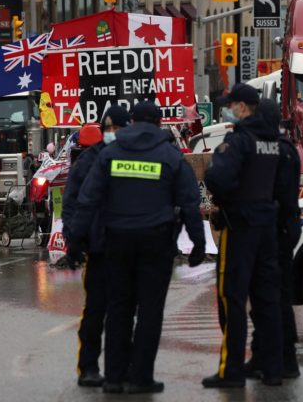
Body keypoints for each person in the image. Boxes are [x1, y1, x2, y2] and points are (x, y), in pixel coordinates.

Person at [70, 101, 206, 394]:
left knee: (119, 308)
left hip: (116, 242)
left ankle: (114, 377)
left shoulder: (110, 154)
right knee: (149, 311)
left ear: (131, 122)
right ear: (158, 124)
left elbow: (88, 199)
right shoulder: (169, 155)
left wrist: (75, 240)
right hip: (156, 243)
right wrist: (199, 242)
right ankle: (140, 377)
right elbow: (190, 202)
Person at [203, 84, 283, 388]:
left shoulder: (239, 140)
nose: (228, 110)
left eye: (230, 105)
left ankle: (231, 371)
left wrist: (226, 198)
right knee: (267, 300)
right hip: (267, 226)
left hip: (241, 226)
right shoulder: (273, 141)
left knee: (233, 298)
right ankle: (273, 369)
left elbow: (217, 177)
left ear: (242, 107)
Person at [61, 106, 130, 388]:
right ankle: (88, 366)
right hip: (99, 249)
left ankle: (120, 368)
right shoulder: (88, 162)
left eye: (118, 127)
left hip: (127, 248)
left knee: (124, 312)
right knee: (96, 311)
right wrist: (74, 242)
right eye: (109, 127)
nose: (113, 133)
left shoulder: (135, 156)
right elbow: (72, 204)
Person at [244, 98, 302, 379]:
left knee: (273, 299)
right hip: (283, 229)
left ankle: (285, 359)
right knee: (269, 298)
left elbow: (277, 193)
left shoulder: (275, 150)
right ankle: (263, 355)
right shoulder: (286, 149)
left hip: (273, 231)